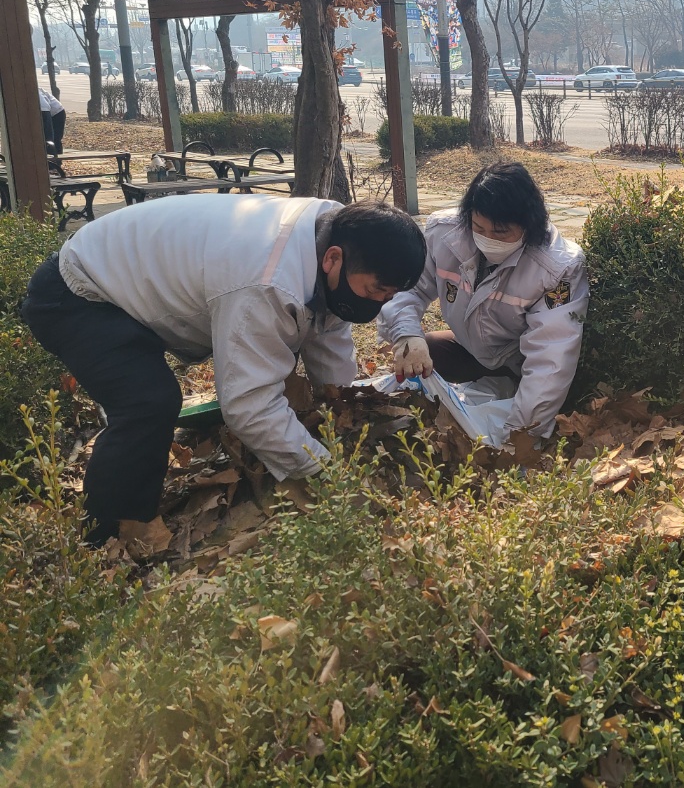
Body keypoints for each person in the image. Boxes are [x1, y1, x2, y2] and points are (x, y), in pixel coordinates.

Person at [20, 196, 426, 545]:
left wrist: (344, 411)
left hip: (127, 279)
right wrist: (325, 472)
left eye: (389, 295)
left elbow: (328, 334)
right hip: (77, 293)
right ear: (333, 259)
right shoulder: (268, 281)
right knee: (147, 402)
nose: (378, 303)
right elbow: (249, 406)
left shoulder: (340, 233)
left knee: (153, 396)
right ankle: (105, 537)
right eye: (375, 290)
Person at [380, 162, 588, 444]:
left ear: (529, 225)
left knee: (530, 402)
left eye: (501, 232)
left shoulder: (558, 267)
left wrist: (519, 437)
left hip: (517, 364)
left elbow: (550, 360)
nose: (487, 240)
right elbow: (407, 289)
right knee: (421, 352)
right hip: (470, 349)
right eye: (479, 227)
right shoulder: (445, 234)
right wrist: (407, 335)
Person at [38, 86, 65, 155]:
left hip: (56, 112)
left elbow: (45, 107)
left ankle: (56, 161)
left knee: (51, 139)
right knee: (49, 139)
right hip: (46, 109)